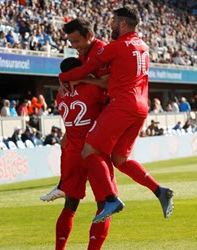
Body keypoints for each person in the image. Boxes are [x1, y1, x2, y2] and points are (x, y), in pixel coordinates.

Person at [59, 7, 174, 222]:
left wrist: (62, 76)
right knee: (120, 159)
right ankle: (160, 191)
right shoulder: (143, 46)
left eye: (112, 21)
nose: (110, 26)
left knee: (89, 150)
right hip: (141, 108)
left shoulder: (117, 46)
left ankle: (111, 199)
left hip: (121, 105)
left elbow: (86, 69)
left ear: (122, 23)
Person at [51, 57, 118, 250]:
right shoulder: (93, 89)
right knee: (105, 205)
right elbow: (110, 96)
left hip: (72, 153)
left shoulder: (60, 95)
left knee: (69, 206)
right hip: (93, 151)